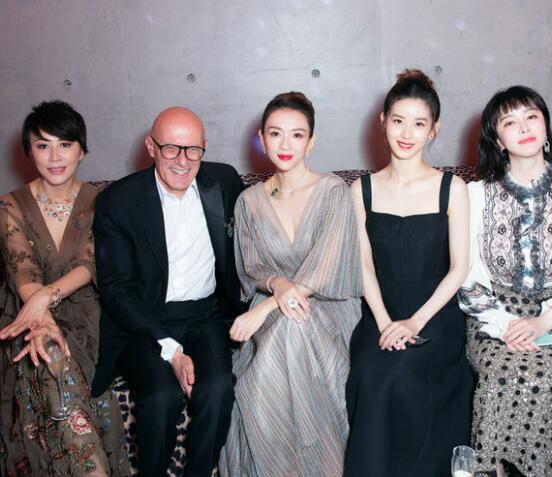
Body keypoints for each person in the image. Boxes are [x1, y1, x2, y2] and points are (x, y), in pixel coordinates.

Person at [91, 106, 246, 477]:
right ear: (151, 147)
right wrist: (171, 351)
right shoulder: (118, 201)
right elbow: (117, 290)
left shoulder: (223, 182)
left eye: (193, 149)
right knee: (162, 396)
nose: (183, 160)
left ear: (204, 147)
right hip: (143, 322)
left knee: (218, 389)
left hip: (205, 315)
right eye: (171, 148)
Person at [219, 92, 362, 477]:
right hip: (270, 309)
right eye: (275, 133)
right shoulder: (249, 201)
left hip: (328, 307)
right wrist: (277, 286)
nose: (285, 144)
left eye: (297, 135)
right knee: (289, 329)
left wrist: (271, 304)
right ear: (261, 139)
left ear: (311, 142)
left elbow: (327, 266)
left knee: (294, 327)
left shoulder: (333, 191)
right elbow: (251, 268)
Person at [344, 70, 473, 476]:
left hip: (436, 316)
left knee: (404, 370)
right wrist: (385, 324)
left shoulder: (452, 188)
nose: (406, 133)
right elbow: (363, 266)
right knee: (373, 372)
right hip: (379, 314)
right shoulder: (360, 189)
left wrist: (414, 322)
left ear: (433, 130)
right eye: (398, 120)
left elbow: (460, 268)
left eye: (419, 124)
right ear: (382, 121)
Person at [0, 101, 130, 476]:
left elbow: (90, 263)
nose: (54, 157)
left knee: (52, 353)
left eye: (65, 144)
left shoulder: (104, 202)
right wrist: (42, 316)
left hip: (88, 313)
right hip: (26, 312)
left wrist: (48, 296)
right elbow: (22, 268)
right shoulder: (9, 205)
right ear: (29, 151)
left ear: (82, 150)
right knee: (47, 353)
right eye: (43, 145)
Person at [458, 86, 552, 477]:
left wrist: (545, 321)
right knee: (503, 372)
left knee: (549, 372)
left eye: (531, 117)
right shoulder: (476, 196)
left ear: (546, 126)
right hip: (493, 318)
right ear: (497, 139)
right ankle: (493, 469)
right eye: (509, 122)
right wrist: (507, 324)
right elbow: (468, 277)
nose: (523, 128)